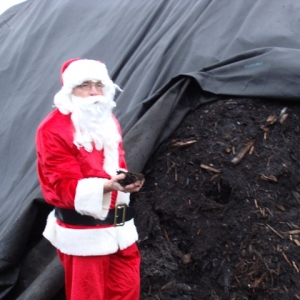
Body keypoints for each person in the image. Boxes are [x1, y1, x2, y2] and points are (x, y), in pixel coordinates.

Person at [36, 58, 144, 300]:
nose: (94, 91)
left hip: (119, 227)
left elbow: (117, 165)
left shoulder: (108, 121)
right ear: (70, 90)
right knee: (89, 295)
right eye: (85, 85)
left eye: (98, 84)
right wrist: (106, 186)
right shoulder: (52, 129)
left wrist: (127, 182)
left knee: (128, 289)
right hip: (83, 233)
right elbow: (61, 186)